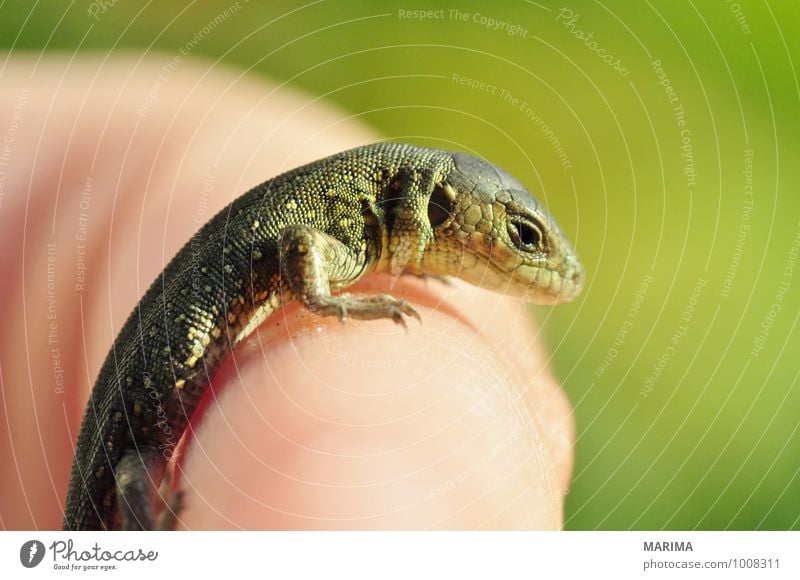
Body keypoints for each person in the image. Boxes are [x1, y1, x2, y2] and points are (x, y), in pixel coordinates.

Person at [0, 54, 573, 529]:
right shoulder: (345, 237)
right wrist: (323, 301)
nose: (548, 268)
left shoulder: (364, 228)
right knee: (135, 489)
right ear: (438, 207)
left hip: (134, 449)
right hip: (131, 445)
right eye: (521, 236)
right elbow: (300, 243)